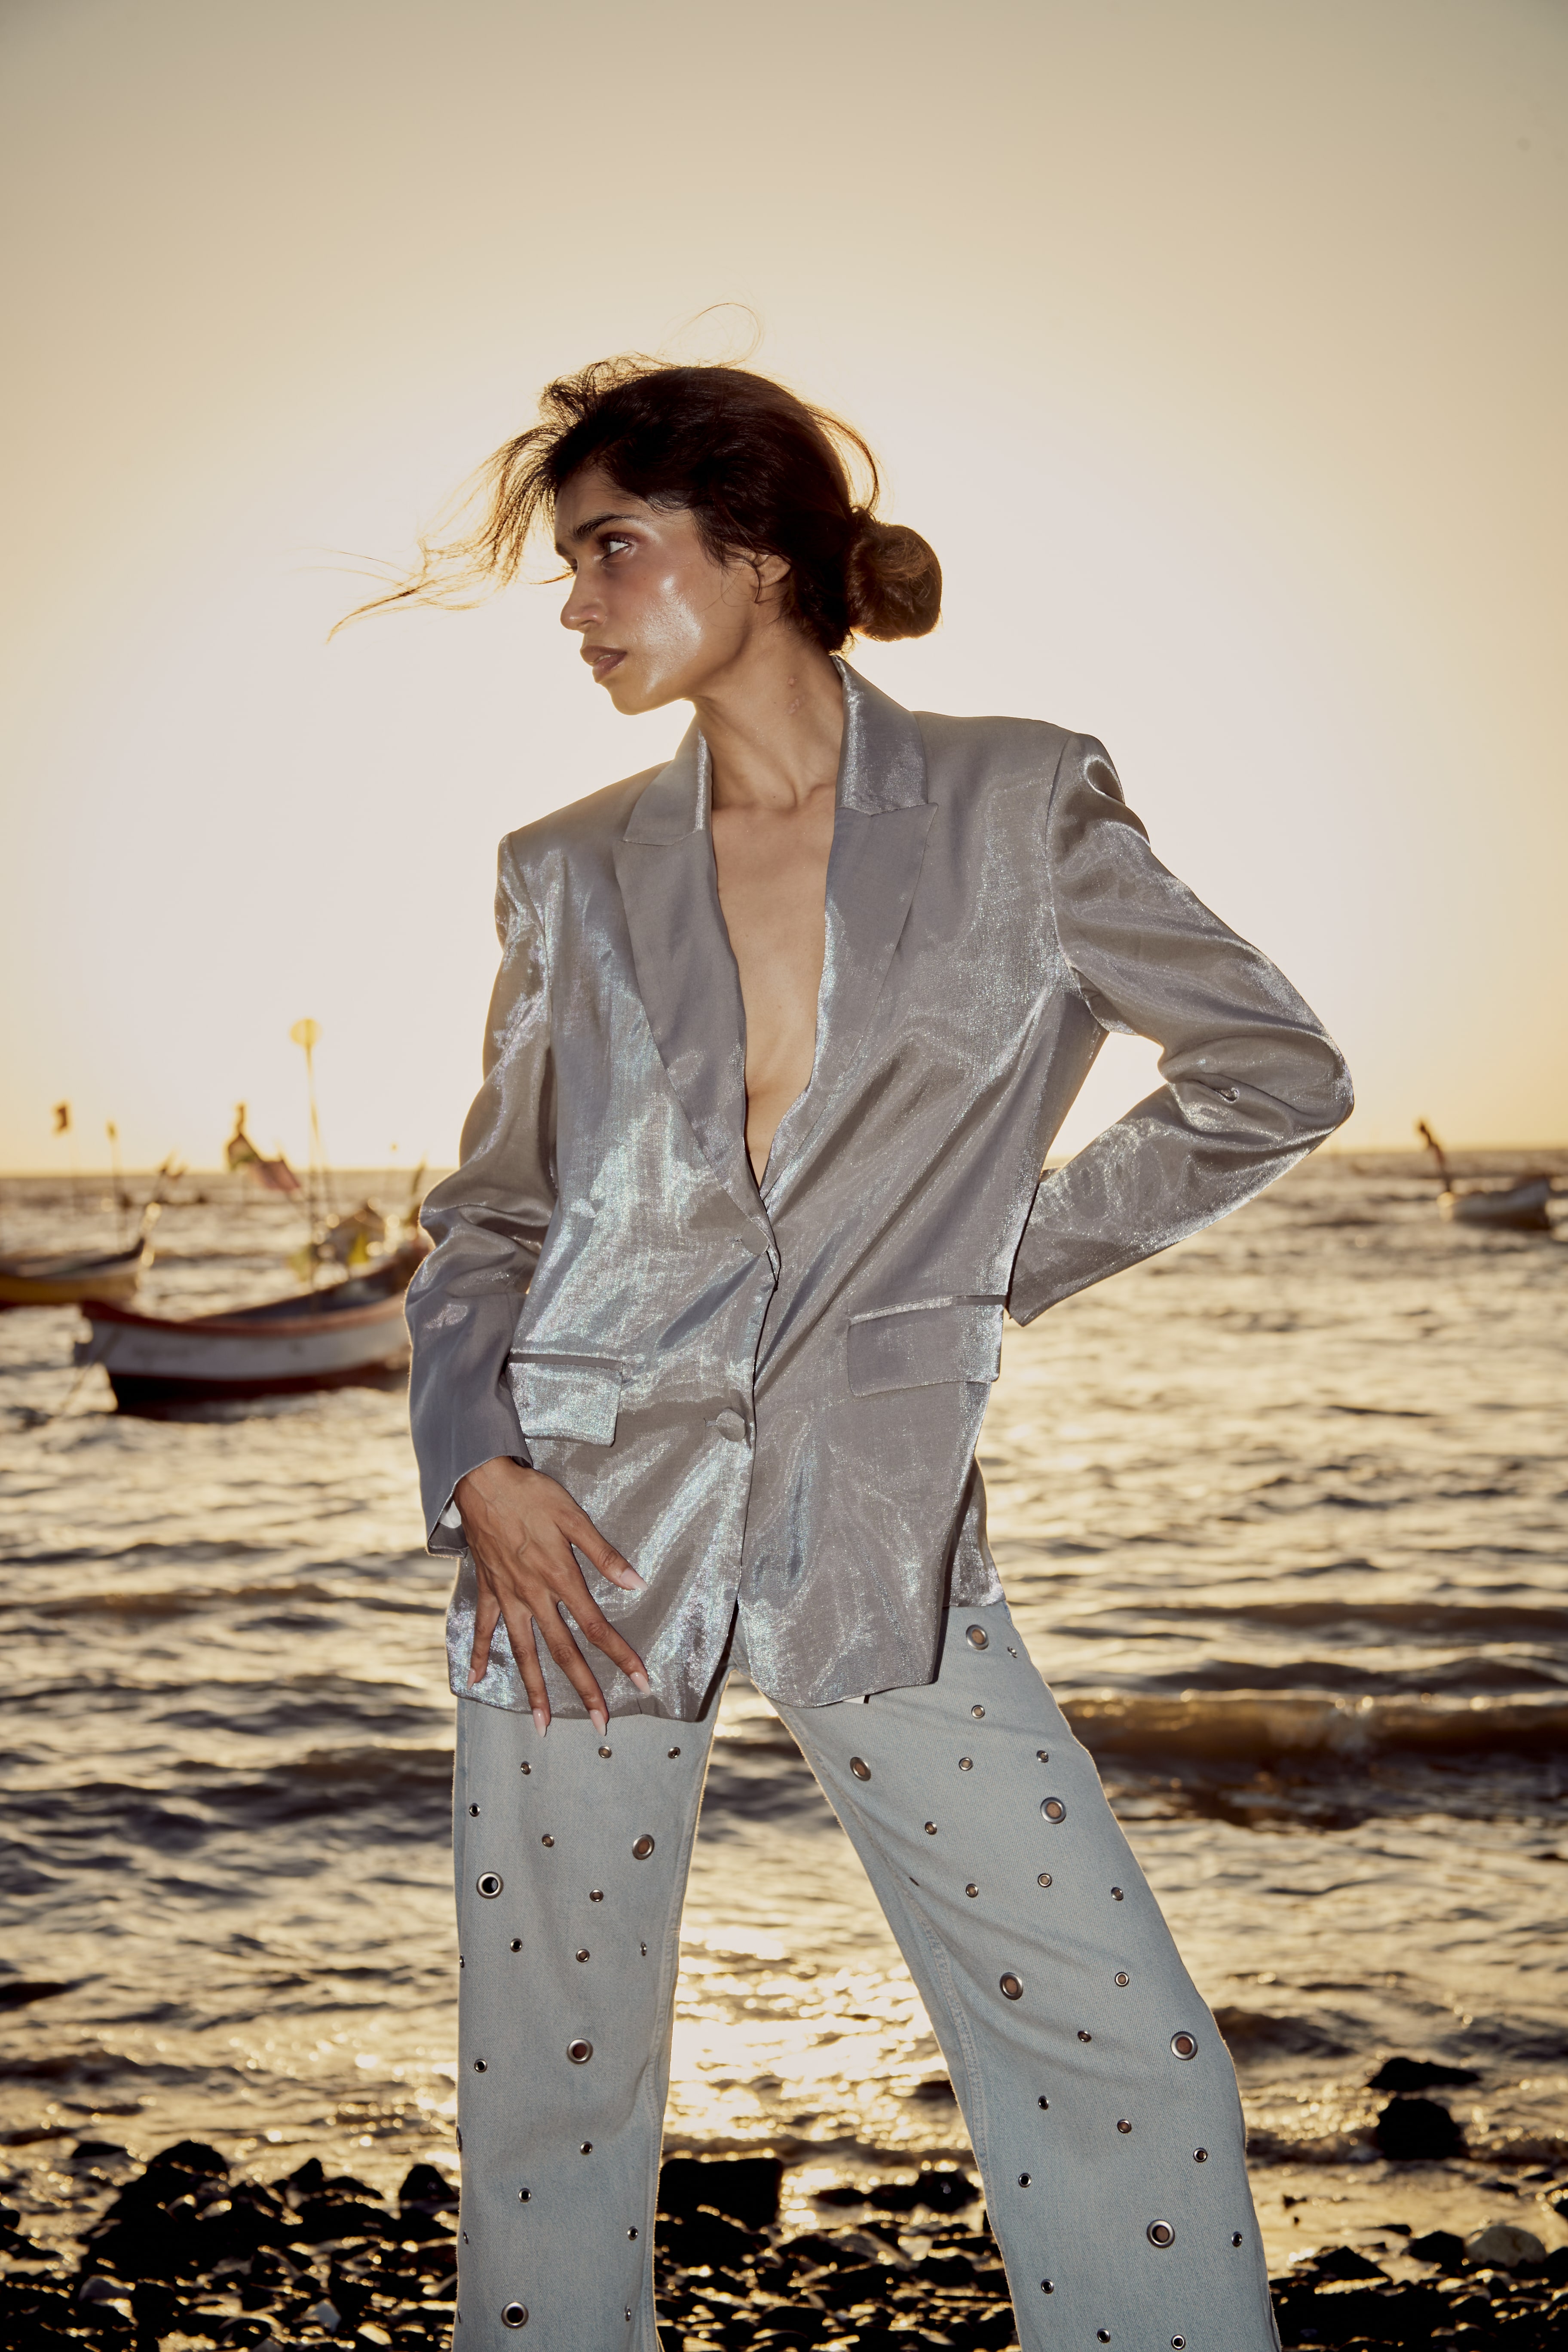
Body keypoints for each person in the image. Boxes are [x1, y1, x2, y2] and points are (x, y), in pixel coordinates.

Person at [391, 356, 1351, 2352]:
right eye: (571, 565)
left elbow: (1272, 1073)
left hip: (882, 1526)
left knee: (1115, 2039)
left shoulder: (1022, 802)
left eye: (611, 553)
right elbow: (490, 1214)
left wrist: (985, 1272)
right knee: (552, 2098)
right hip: (573, 1531)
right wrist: (477, 1462)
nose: (576, 606)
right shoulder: (563, 873)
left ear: (756, 548)